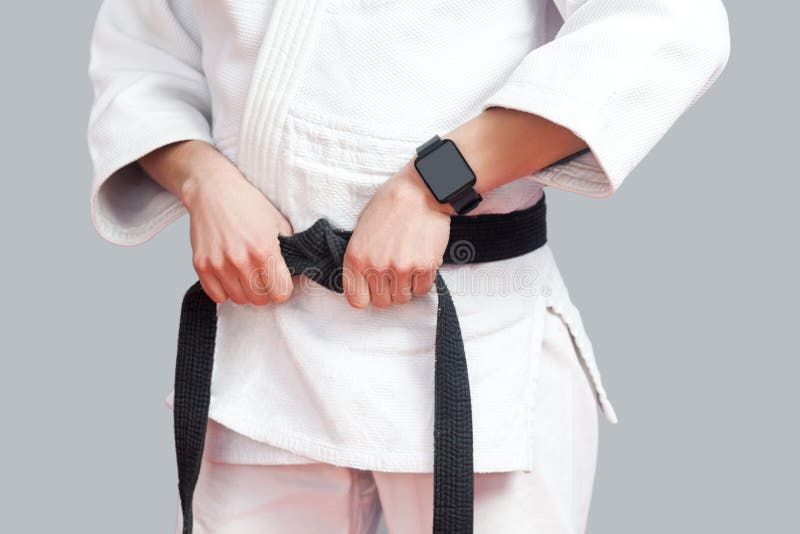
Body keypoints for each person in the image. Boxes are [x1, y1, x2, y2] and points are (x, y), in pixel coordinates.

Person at [87, 1, 730, 532]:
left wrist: (438, 180)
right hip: (262, 359)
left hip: (475, 354)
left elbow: (668, 22)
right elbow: (140, 55)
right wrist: (201, 180)